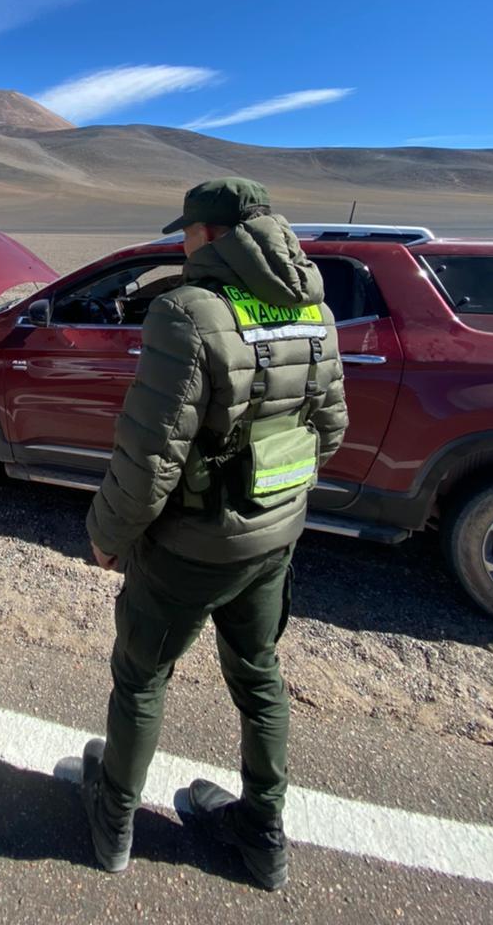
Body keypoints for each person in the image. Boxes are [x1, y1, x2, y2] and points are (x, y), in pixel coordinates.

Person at [82, 178, 348, 890]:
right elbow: (331, 427)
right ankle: (263, 839)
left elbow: (150, 455)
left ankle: (113, 825)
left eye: (187, 231)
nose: (181, 241)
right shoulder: (312, 308)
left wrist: (108, 535)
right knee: (258, 677)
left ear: (212, 235)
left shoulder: (185, 312)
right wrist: (275, 501)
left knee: (140, 678)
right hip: (275, 537)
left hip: (191, 547)